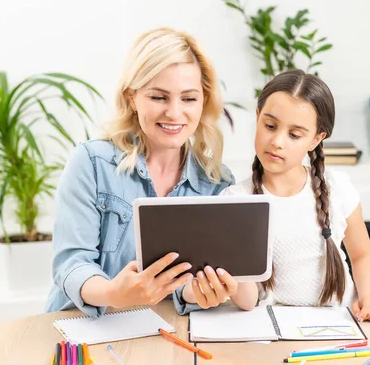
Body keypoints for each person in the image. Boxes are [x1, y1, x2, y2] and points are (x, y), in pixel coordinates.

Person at [45, 27, 245, 317]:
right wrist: (114, 292)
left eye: (188, 98)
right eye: (159, 97)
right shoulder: (91, 163)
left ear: (203, 101)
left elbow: (185, 285)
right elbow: (71, 264)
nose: (175, 113)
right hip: (82, 326)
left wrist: (202, 291)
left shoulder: (216, 182)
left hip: (163, 331)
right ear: (131, 98)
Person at [178, 69, 370, 322]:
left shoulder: (337, 187)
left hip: (342, 322)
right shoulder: (235, 199)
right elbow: (247, 300)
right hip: (277, 328)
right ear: (257, 118)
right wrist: (228, 283)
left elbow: (362, 254)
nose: (277, 141)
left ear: (316, 139)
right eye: (270, 125)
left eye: (294, 134)